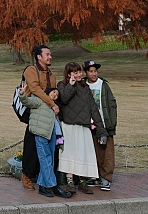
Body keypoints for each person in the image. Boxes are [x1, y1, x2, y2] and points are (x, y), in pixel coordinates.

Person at [21, 45, 72, 198]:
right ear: (39, 57)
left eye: (50, 54)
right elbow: (35, 89)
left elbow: (53, 92)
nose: (50, 57)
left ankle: (45, 183)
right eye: (47, 54)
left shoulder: (51, 74)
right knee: (32, 147)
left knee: (49, 151)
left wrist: (55, 97)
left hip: (49, 115)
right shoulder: (31, 70)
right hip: (35, 111)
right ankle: (27, 175)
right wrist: (51, 103)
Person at [56, 61, 108, 194]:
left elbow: (93, 109)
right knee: (70, 153)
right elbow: (64, 99)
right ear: (69, 74)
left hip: (83, 125)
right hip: (68, 125)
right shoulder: (62, 85)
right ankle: (70, 181)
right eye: (75, 72)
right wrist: (71, 85)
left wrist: (101, 129)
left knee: (84, 154)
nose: (79, 74)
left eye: (79, 71)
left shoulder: (85, 87)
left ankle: (83, 182)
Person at [84, 59, 117, 190]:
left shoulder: (103, 85)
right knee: (92, 152)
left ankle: (106, 177)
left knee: (106, 152)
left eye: (95, 71)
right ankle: (93, 176)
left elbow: (112, 105)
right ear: (85, 72)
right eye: (91, 71)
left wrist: (111, 124)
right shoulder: (82, 86)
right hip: (89, 125)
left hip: (103, 125)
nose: (94, 74)